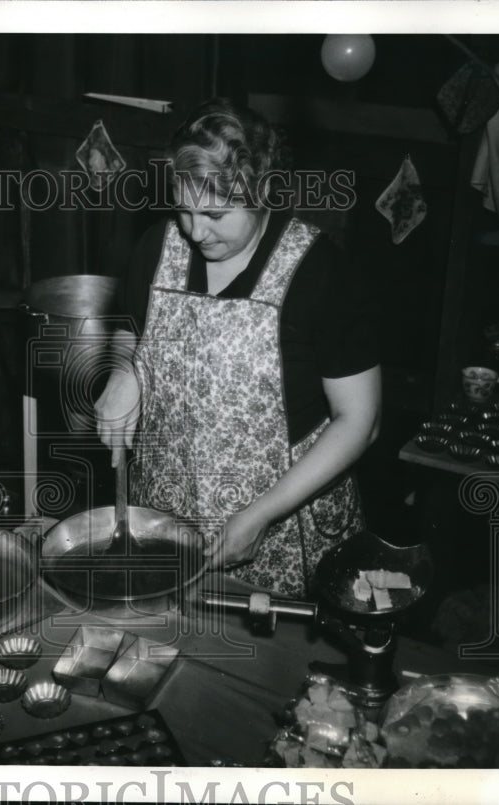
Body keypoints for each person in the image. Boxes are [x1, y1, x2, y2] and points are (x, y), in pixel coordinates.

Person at [94, 98, 380, 598]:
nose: (195, 231)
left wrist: (263, 513)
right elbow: (130, 333)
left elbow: (361, 421)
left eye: (215, 214)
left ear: (264, 192)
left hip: (287, 530)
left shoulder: (321, 272)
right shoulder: (156, 249)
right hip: (169, 521)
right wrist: (124, 373)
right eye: (183, 209)